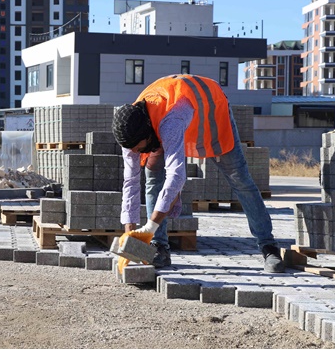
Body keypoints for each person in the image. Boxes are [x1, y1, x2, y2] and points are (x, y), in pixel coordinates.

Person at [112, 74, 285, 273]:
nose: (135, 152)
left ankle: (268, 246)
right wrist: (129, 236)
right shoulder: (130, 132)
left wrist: (149, 228)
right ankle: (159, 247)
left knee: (240, 179)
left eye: (137, 147)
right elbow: (130, 182)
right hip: (168, 119)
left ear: (149, 133)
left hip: (212, 115)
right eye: (131, 149)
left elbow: (176, 176)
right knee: (152, 178)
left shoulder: (171, 122)